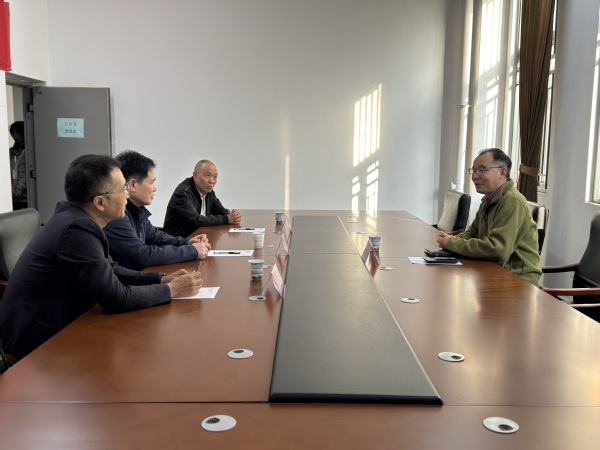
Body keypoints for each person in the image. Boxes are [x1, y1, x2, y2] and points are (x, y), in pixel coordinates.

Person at [0, 154, 203, 360]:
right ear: (100, 202)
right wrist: (172, 290)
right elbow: (117, 299)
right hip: (38, 343)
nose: (127, 195)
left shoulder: (77, 219)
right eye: (123, 189)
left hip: (66, 323)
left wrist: (161, 279)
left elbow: (111, 268)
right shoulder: (76, 231)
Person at [436, 148, 542, 286]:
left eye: (482, 169)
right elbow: (472, 233)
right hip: (493, 272)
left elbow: (497, 249)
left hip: (518, 282)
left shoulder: (512, 201)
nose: (475, 176)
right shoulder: (489, 199)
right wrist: (450, 241)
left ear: (502, 172)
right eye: (474, 170)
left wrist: (452, 244)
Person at [104, 150, 211, 270]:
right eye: (151, 183)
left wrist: (187, 242)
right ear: (133, 185)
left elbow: (156, 237)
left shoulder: (137, 210)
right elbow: (143, 254)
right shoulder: (116, 215)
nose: (155, 189)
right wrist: (191, 251)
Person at [163, 159, 242, 237]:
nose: (211, 181)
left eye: (215, 177)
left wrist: (232, 215)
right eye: (207, 175)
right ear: (195, 176)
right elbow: (195, 220)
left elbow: (220, 211)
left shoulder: (208, 191)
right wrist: (226, 219)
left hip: (198, 238)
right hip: (177, 241)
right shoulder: (183, 193)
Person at [9, 121, 27, 210]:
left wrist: (20, 188)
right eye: (13, 133)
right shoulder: (11, 151)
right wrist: (11, 187)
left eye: (18, 133)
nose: (15, 136)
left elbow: (29, 171)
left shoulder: (29, 150)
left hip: (26, 195)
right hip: (13, 196)